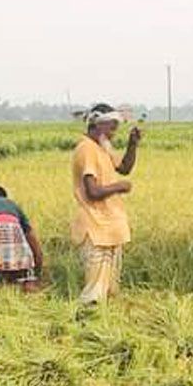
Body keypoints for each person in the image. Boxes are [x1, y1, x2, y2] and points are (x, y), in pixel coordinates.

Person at [71, 103, 142, 305]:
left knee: (108, 289)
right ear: (97, 125)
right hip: (95, 226)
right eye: (111, 127)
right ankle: (88, 321)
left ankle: (104, 323)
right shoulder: (86, 149)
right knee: (94, 292)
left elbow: (124, 167)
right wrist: (119, 187)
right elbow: (92, 191)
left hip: (109, 227)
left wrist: (133, 144)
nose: (113, 132)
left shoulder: (102, 146)